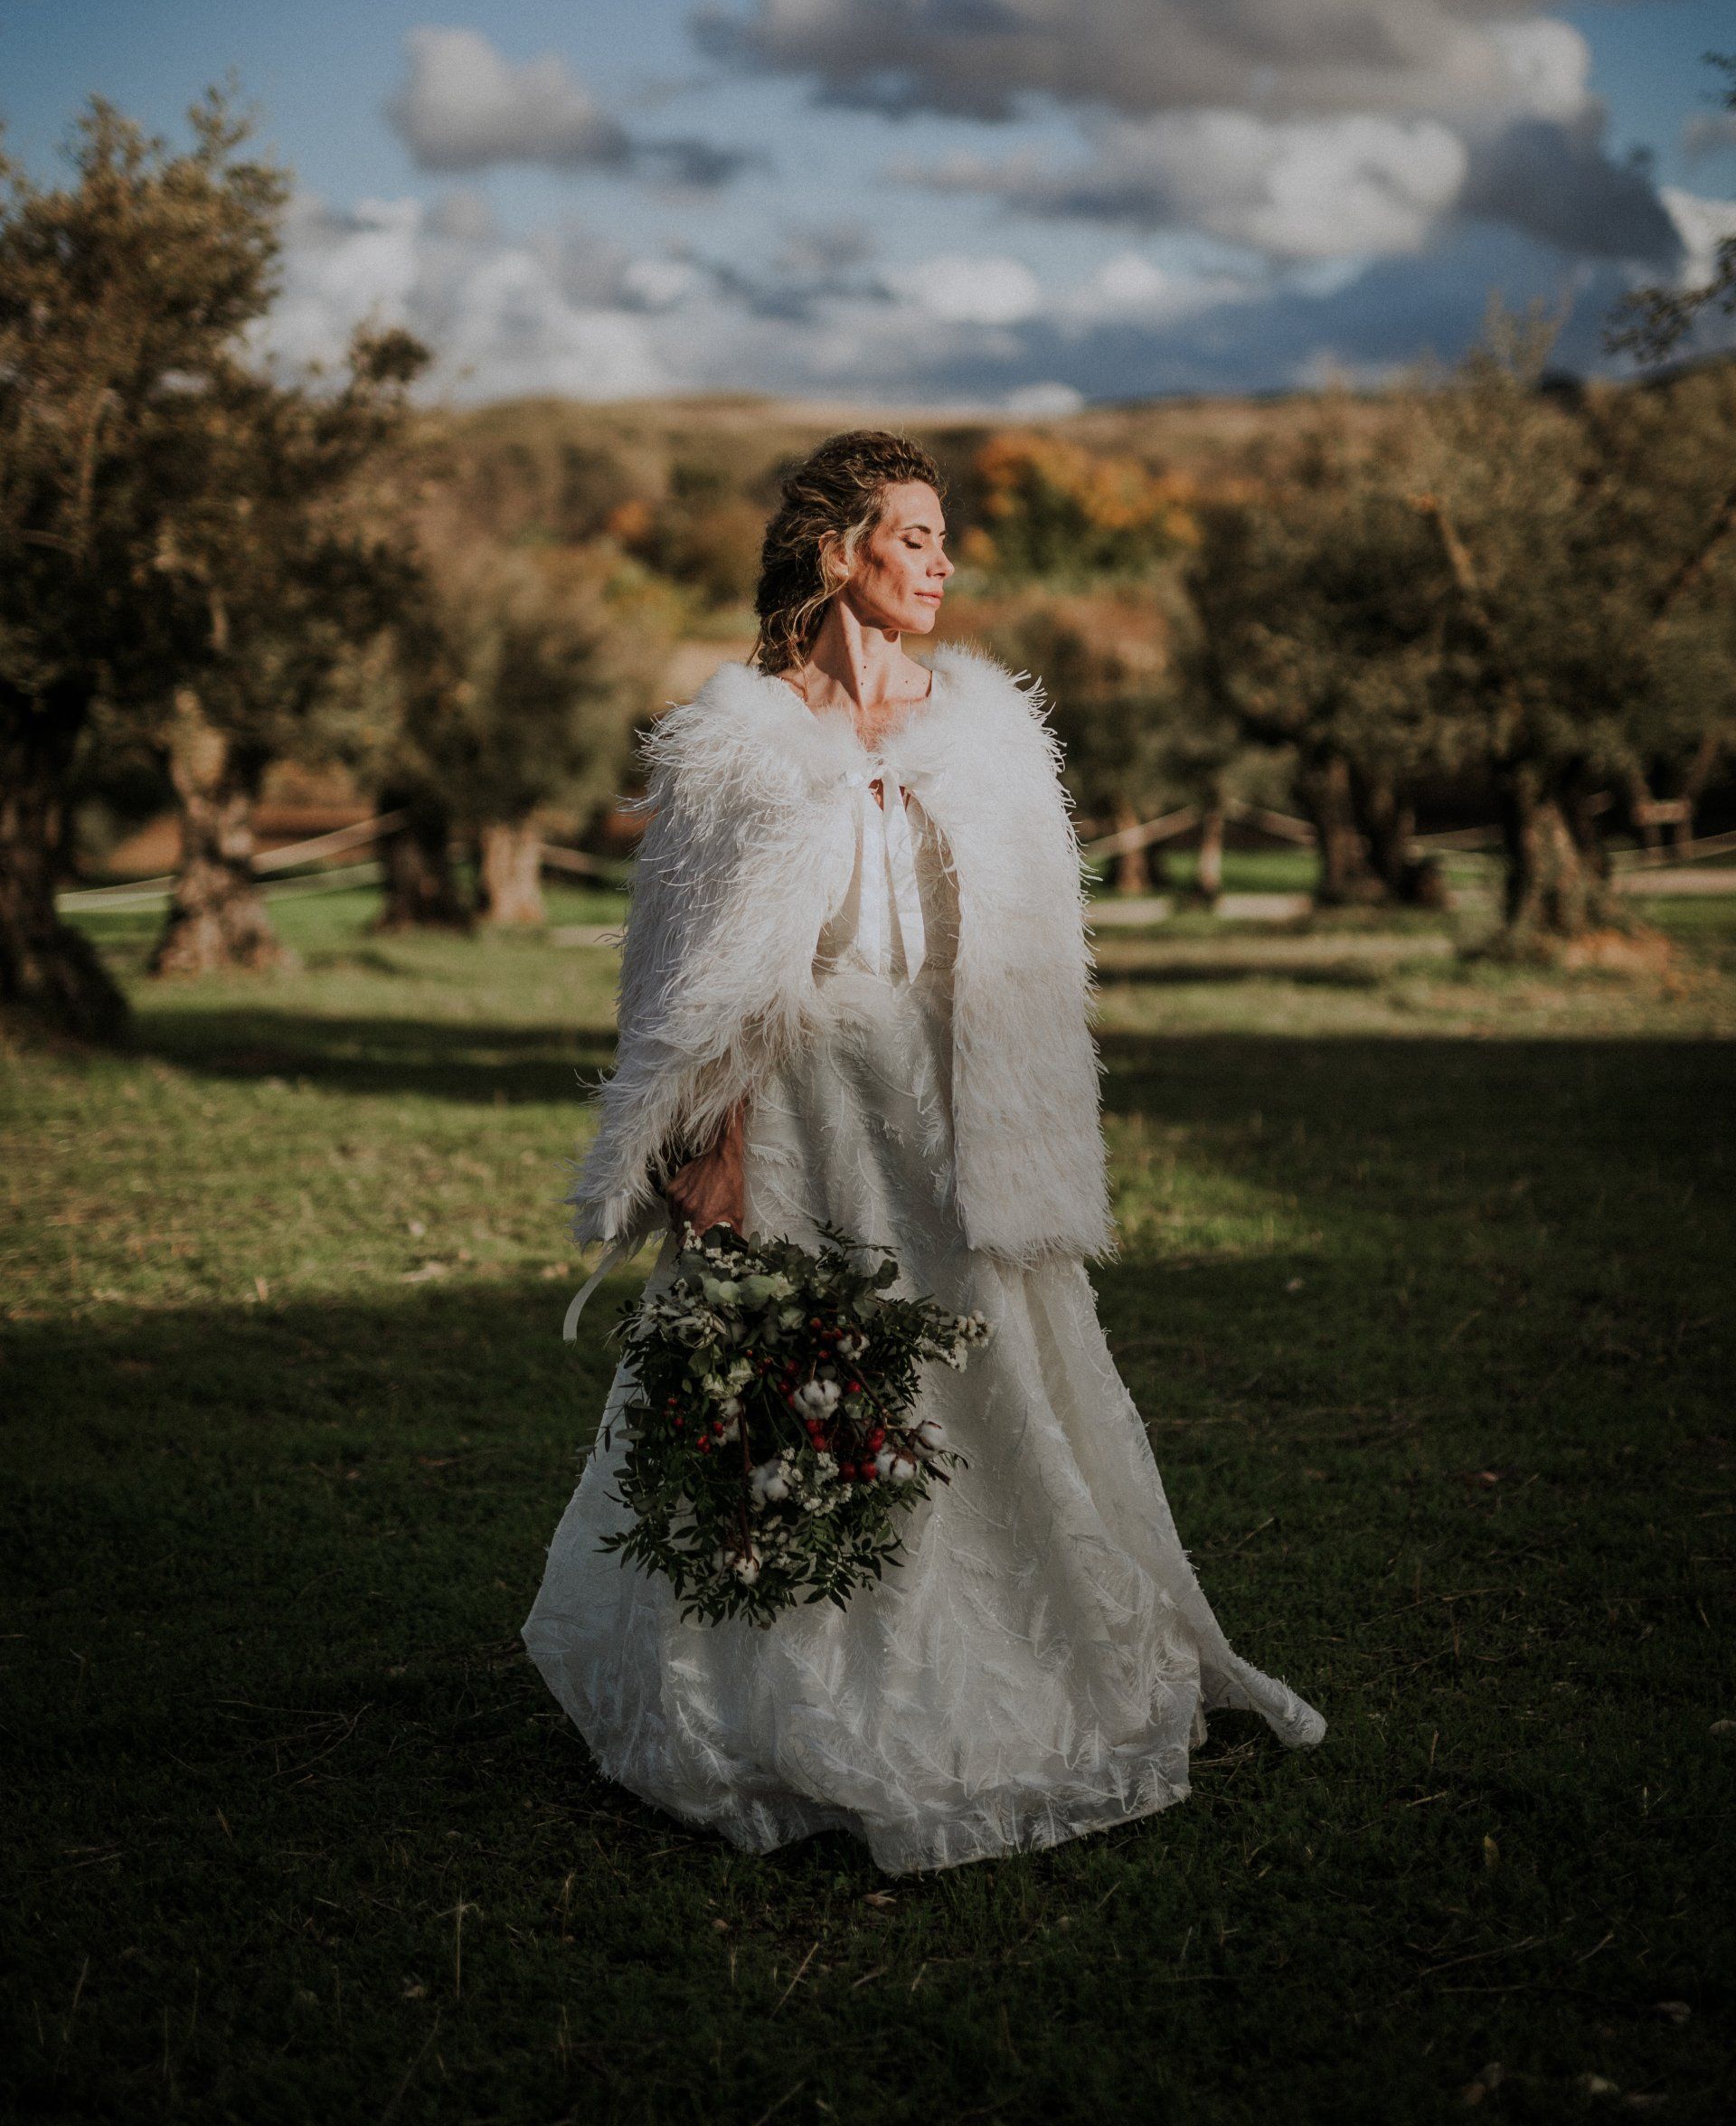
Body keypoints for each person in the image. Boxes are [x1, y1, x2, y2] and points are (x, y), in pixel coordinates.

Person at [523, 430, 1323, 1874]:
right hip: (796, 1119)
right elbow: (686, 981)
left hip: (950, 1121)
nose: (943, 564)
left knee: (984, 1375)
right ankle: (776, 1701)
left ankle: (1032, 1670)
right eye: (915, 536)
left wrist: (1020, 1134)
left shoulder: (990, 734)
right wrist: (706, 1140)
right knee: (787, 1383)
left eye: (947, 538)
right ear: (839, 555)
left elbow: (1029, 966)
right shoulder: (737, 739)